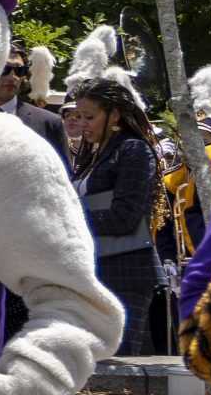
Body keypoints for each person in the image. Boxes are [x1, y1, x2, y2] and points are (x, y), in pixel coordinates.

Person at [70, 78, 163, 355]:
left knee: (117, 364)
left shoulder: (133, 149)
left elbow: (125, 217)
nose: (83, 123)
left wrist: (68, 221)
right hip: (97, 268)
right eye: (78, 116)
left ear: (115, 115)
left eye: (90, 116)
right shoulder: (94, 154)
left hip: (125, 274)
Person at [0, 45, 71, 165]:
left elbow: (64, 176)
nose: (12, 77)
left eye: (19, 70)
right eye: (4, 69)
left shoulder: (49, 123)